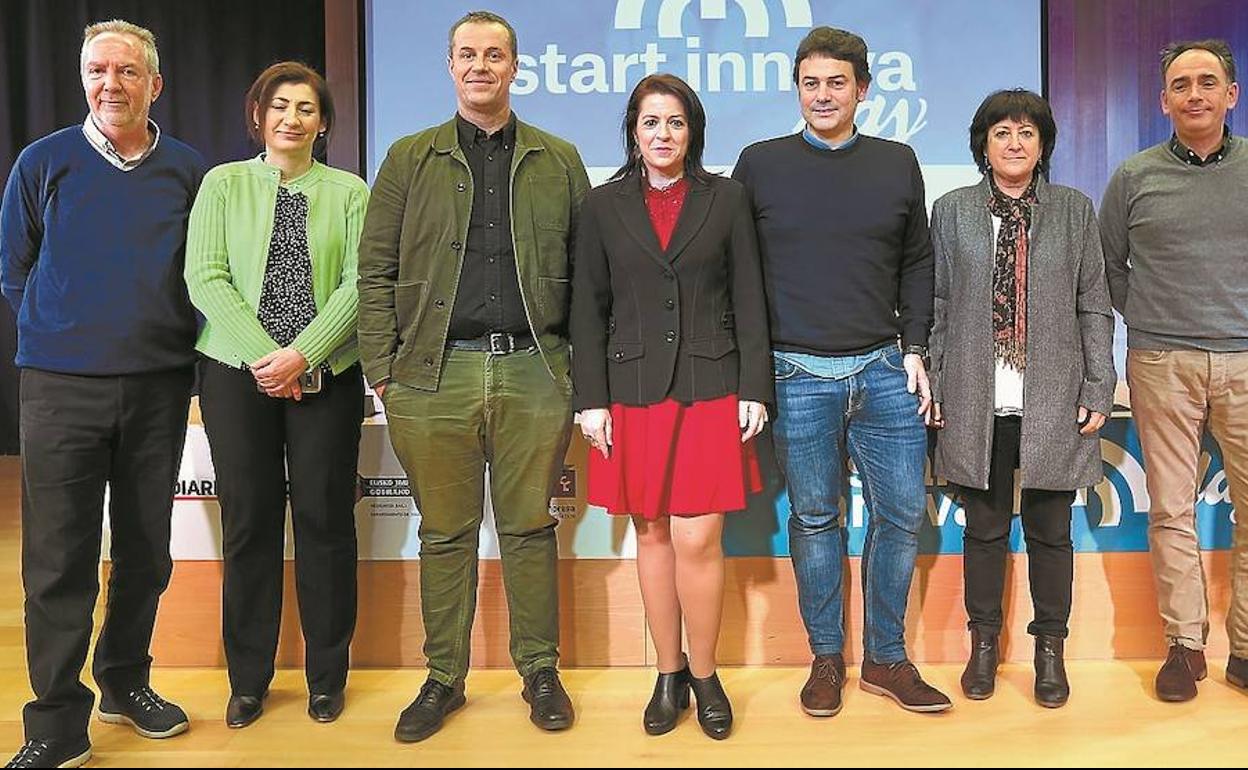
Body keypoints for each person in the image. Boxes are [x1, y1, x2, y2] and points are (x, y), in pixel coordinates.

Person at [357, 10, 590, 742]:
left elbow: (589, 278)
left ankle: (539, 671)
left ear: (516, 67)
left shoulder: (558, 159)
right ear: (450, 66)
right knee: (445, 533)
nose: (480, 65)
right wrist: (383, 372)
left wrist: (575, 372)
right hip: (431, 376)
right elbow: (374, 271)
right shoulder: (407, 157)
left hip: (535, 371)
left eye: (494, 54)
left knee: (528, 528)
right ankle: (443, 679)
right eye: (467, 54)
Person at [0, 19, 204, 768]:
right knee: (59, 560)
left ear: (155, 83)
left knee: (148, 551)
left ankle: (124, 681)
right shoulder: (43, 161)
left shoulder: (187, 170)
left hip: (157, 387)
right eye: (97, 70)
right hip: (59, 389)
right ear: (83, 79)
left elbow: (201, 273)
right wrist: (64, 334)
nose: (109, 84)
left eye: (126, 71)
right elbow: (14, 265)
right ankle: (55, 722)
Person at [732, 26, 949, 716]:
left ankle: (885, 659)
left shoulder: (897, 161)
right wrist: (751, 376)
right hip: (794, 373)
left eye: (836, 82)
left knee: (902, 514)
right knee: (815, 518)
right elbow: (739, 274)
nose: (822, 95)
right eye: (810, 82)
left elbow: (918, 262)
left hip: (885, 367)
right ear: (796, 89)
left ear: (862, 88)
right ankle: (826, 658)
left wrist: (915, 346)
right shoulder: (759, 164)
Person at [570, 73, 770, 739]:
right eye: (651, 122)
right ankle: (668, 671)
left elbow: (749, 298)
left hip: (711, 386)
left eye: (676, 122)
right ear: (633, 130)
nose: (663, 134)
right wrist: (590, 399)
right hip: (630, 393)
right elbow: (587, 309)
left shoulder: (728, 199)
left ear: (693, 132)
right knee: (651, 531)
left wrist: (755, 388)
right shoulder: (601, 206)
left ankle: (706, 673)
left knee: (697, 535)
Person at [185, 61, 369, 728]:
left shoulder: (351, 191)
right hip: (237, 378)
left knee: (325, 523)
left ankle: (326, 676)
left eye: (307, 108)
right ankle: (250, 680)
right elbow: (204, 277)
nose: (292, 118)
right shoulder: (222, 184)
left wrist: (303, 355)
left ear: (323, 122)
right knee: (250, 527)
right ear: (257, 114)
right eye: (280, 105)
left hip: (327, 376)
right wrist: (267, 358)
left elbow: (361, 283)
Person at [928, 89, 1115, 708]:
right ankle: (983, 646)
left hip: (1054, 400)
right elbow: (940, 305)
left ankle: (1050, 650)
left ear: (1043, 146)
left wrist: (1097, 385)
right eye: (1002, 132)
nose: (1014, 143)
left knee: (1050, 532)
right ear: (983, 144)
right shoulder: (952, 210)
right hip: (975, 398)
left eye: (1027, 133)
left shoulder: (1072, 209)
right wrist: (935, 376)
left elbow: (1093, 304)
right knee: (982, 530)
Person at [1100, 39, 1248, 703]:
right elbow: (1109, 266)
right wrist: (1155, 321)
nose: (1195, 94)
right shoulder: (1134, 176)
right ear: (1164, 101)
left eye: (1207, 82)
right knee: (1171, 511)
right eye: (1181, 85)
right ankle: (1184, 647)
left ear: (1230, 95)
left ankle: (1244, 650)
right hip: (1161, 363)